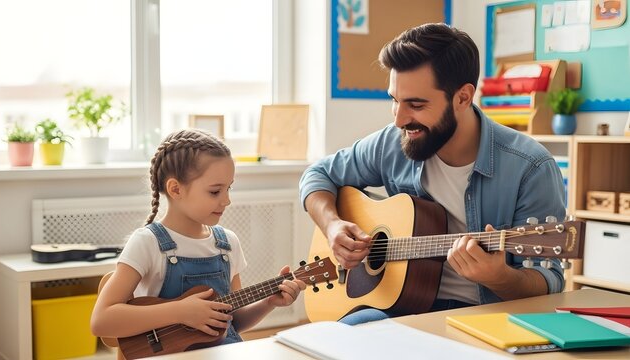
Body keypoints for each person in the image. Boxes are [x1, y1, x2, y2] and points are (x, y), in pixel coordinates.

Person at [299, 23, 566, 325]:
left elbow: (550, 281)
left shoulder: (530, 167)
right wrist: (332, 226)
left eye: (416, 104)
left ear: (463, 98)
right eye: (394, 100)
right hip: (400, 306)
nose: (399, 119)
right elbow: (318, 175)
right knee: (335, 338)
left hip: (484, 316)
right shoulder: (392, 143)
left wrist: (501, 277)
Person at [91, 129, 306, 349]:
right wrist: (181, 312)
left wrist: (269, 302)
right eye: (215, 191)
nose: (227, 200)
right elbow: (101, 321)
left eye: (228, 188)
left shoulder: (228, 244)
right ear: (175, 189)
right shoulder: (147, 243)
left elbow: (233, 322)